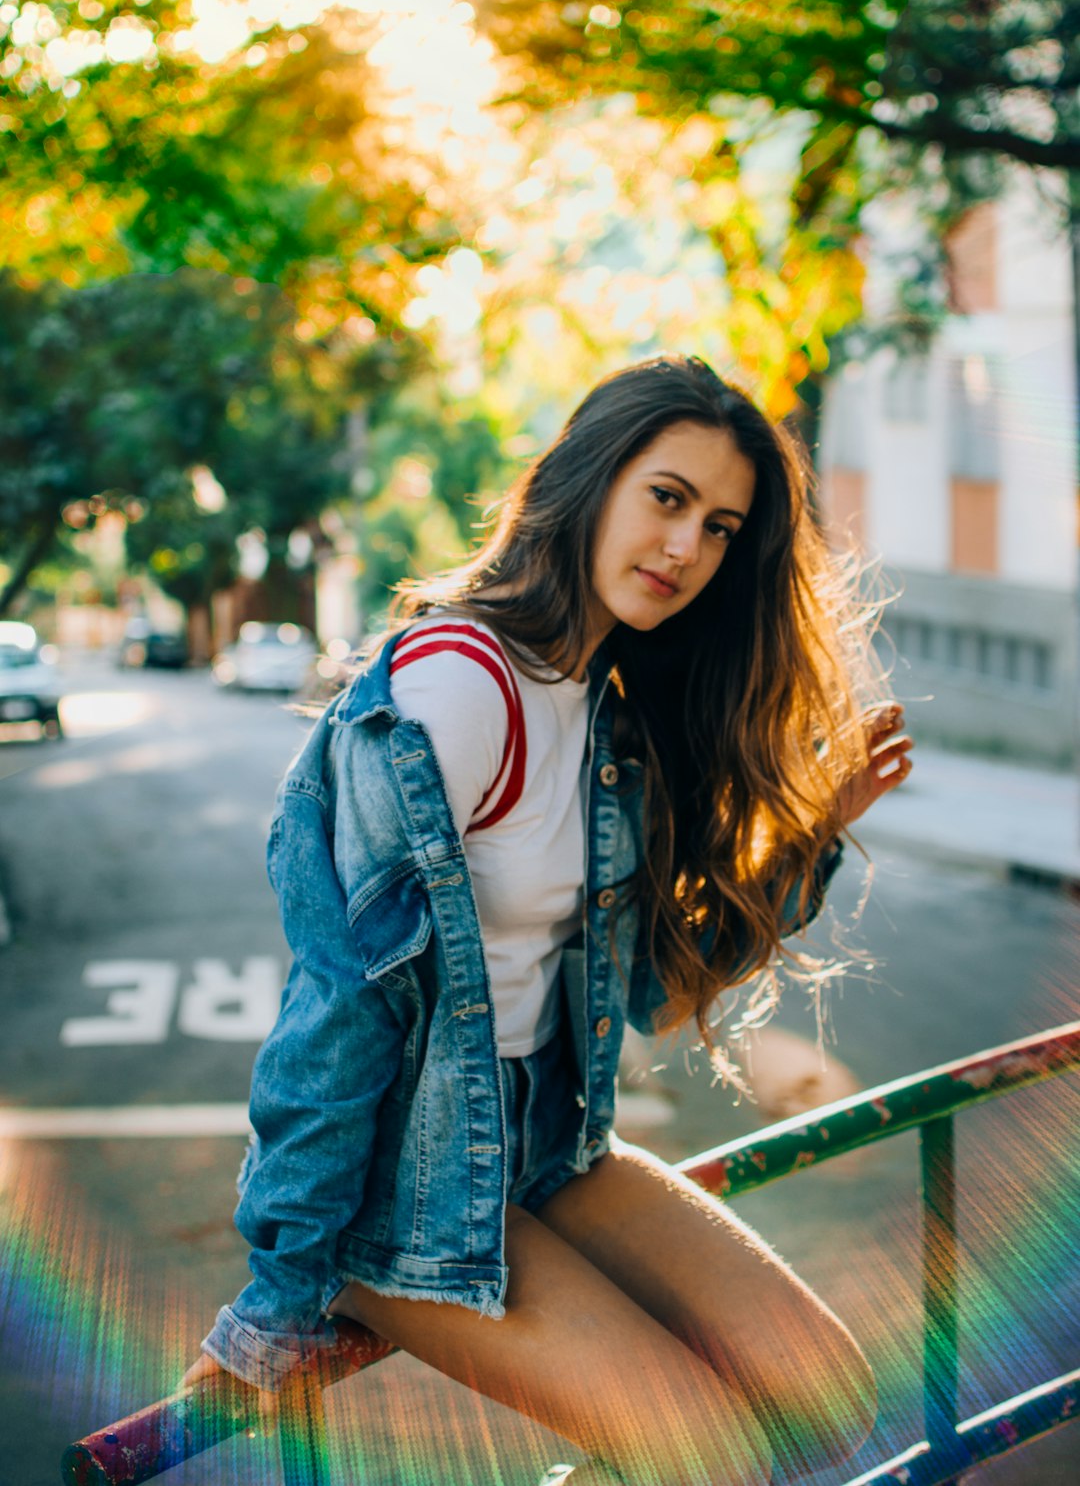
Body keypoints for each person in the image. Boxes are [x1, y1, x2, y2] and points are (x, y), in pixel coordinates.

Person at [183, 354, 912, 1485]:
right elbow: (341, 1005)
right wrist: (276, 1302)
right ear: (585, 479)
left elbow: (653, 995)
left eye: (720, 527)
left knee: (834, 1393)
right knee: (711, 1456)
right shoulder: (458, 687)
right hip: (407, 1179)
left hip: (549, 1140)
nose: (687, 549)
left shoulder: (602, 702)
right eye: (666, 498)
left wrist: (809, 835)